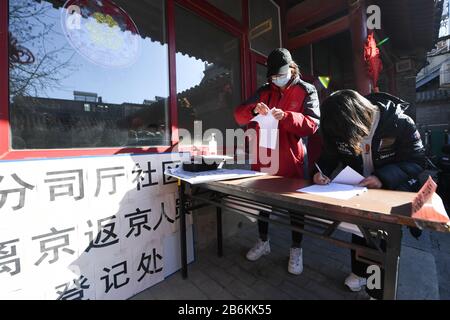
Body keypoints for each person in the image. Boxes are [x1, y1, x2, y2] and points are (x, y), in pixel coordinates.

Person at [313, 89, 426, 299]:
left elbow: (417, 161)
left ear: (354, 119)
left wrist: (382, 178)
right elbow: (329, 155)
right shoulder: (341, 126)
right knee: (357, 232)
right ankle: (359, 272)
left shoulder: (399, 122)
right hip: (357, 190)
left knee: (378, 243)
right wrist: (319, 173)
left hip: (390, 191)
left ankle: (376, 289)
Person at [234, 48, 321, 275]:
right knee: (262, 206)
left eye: (280, 75)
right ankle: (263, 241)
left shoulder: (307, 90)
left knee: (295, 208)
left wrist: (288, 116)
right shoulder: (263, 91)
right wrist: (254, 108)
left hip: (292, 161)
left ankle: (296, 249)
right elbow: (239, 116)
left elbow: (312, 124)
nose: (276, 80)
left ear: (291, 69)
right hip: (264, 160)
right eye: (272, 76)